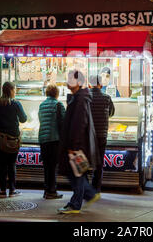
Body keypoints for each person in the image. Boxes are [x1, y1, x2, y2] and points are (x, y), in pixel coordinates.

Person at [57, 70, 100, 214]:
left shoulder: (80, 99)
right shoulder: (78, 97)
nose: (68, 80)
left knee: (76, 173)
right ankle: (88, 195)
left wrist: (73, 146)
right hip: (77, 144)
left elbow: (79, 123)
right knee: (77, 173)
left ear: (79, 82)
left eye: (71, 78)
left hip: (77, 145)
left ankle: (76, 204)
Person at [0, 81, 27, 198]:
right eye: (14, 90)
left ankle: (2, 191)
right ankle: (12, 190)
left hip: (0, 138)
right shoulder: (16, 104)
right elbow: (24, 119)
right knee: (11, 164)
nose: (15, 92)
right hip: (13, 139)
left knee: (1, 164)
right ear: (11, 90)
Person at [38, 84, 66, 199]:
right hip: (54, 139)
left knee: (46, 166)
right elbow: (64, 122)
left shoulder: (42, 105)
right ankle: (52, 191)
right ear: (57, 93)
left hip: (43, 139)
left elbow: (40, 119)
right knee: (53, 166)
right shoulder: (58, 104)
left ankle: (46, 190)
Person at [89, 75, 115, 193]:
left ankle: (85, 188)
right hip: (101, 135)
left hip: (87, 135)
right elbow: (111, 113)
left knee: (86, 161)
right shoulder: (107, 98)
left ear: (89, 84)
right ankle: (96, 188)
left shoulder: (86, 97)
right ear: (101, 85)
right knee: (99, 163)